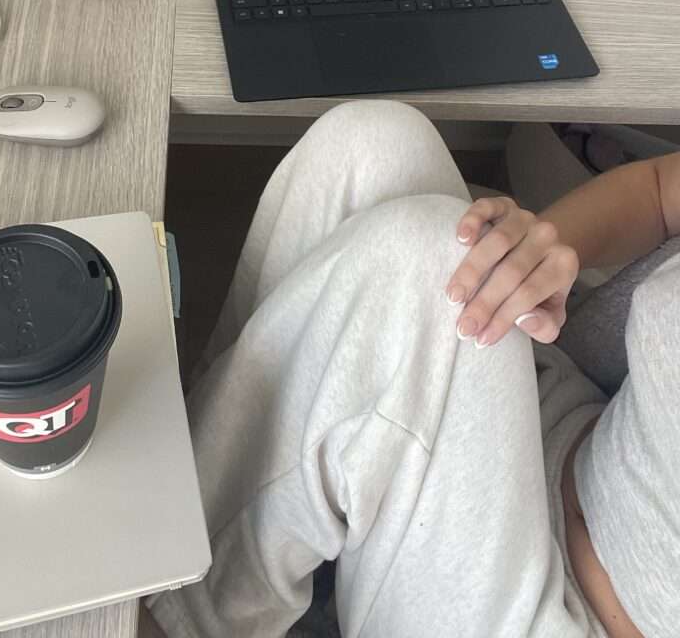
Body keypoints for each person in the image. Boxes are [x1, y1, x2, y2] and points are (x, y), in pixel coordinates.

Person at [147, 101, 678, 638]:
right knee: (374, 144)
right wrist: (536, 253)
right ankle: (203, 482)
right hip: (569, 424)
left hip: (568, 611)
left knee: (427, 267)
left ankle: (170, 606)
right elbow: (661, 192)